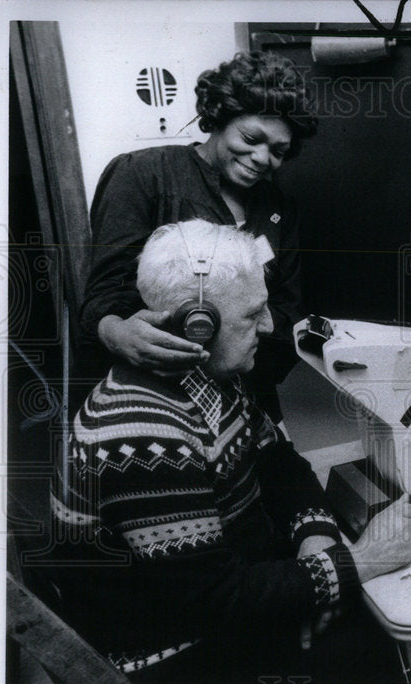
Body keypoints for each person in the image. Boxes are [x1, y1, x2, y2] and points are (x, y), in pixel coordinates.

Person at [53, 221, 411, 684]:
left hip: (229, 600)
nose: (268, 326)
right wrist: (360, 563)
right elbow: (219, 603)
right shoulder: (145, 435)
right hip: (173, 662)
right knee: (377, 652)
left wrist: (317, 542)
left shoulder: (208, 377)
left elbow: (279, 463)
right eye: (252, 315)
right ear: (197, 325)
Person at [76, 50, 315, 422]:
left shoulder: (278, 205)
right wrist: (117, 333)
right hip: (160, 392)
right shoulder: (144, 174)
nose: (261, 158)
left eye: (278, 152)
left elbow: (287, 304)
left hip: (249, 392)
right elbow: (103, 294)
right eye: (251, 138)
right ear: (220, 116)